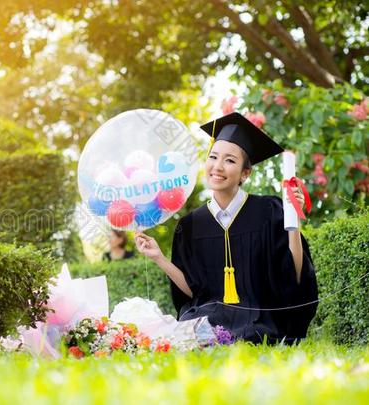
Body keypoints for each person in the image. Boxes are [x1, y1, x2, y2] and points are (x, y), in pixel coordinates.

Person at [134, 112, 318, 344]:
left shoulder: (269, 211)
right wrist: (159, 258)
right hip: (209, 320)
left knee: (250, 335)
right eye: (213, 157)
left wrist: (293, 220)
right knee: (187, 334)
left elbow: (294, 276)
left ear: (245, 173)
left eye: (230, 160)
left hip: (259, 319)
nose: (218, 167)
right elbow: (193, 292)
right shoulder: (190, 225)